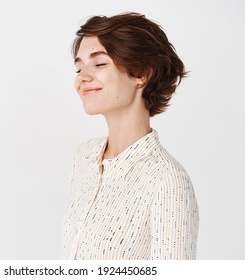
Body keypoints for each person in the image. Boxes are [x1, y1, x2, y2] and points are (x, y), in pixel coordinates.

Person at [60, 12, 199, 260]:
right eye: (79, 67)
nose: (82, 77)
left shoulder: (166, 181)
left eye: (99, 63)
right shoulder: (83, 159)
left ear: (141, 73)